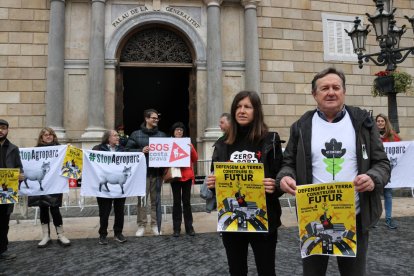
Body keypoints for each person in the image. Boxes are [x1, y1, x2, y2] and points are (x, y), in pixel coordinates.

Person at [276, 67, 391, 276]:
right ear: (314, 94)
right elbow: (288, 163)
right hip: (313, 217)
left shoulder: (363, 122)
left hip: (354, 216)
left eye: (336, 87)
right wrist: (285, 177)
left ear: (344, 92)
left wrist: (373, 178)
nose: (331, 92)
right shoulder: (301, 126)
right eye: (324, 88)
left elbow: (382, 163)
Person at [205, 91, 284, 275]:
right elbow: (215, 176)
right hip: (232, 220)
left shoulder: (270, 140)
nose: (242, 111)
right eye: (238, 107)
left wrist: (275, 186)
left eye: (247, 107)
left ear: (256, 111)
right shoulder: (222, 143)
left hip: (263, 218)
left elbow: (281, 175)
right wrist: (212, 183)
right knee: (236, 270)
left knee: (266, 270)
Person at [125, 109, 166, 236]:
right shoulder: (136, 134)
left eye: (157, 118)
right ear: (146, 119)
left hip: (157, 173)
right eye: (153, 118)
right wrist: (140, 150)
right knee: (142, 201)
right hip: (141, 174)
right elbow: (126, 151)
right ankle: (141, 225)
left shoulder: (162, 135)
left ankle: (155, 225)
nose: (156, 120)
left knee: (155, 201)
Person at [27, 127, 71, 248]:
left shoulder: (60, 149)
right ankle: (45, 235)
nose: (48, 136)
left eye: (50, 134)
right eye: (45, 135)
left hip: (54, 184)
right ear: (41, 137)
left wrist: (69, 150)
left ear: (53, 136)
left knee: (55, 209)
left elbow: (70, 162)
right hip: (40, 185)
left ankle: (61, 234)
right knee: (43, 209)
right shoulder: (35, 151)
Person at [93, 130, 127, 245]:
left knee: (119, 211)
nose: (118, 137)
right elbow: (89, 159)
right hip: (105, 190)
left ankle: (118, 233)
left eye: (118, 135)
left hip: (118, 188)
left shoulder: (122, 150)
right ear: (108, 138)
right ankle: (103, 234)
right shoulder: (98, 149)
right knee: (104, 212)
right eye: (115, 135)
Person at [169, 122, 198, 237]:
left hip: (186, 176)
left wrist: (191, 149)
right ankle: (176, 228)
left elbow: (195, 158)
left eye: (181, 130)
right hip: (175, 176)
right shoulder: (169, 143)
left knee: (186, 202)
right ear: (173, 132)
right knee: (176, 203)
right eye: (177, 130)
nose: (179, 131)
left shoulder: (188, 143)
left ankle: (189, 227)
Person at [0, 119, 24, 260]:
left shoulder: (13, 148)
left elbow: (18, 166)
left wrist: (20, 175)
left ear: (7, 130)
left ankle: (2, 250)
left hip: (7, 190)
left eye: (3, 128)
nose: (1, 130)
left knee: (3, 222)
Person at [376, 113, 401, 229]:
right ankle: (374, 219)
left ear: (386, 123)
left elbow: (401, 147)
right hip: (376, 170)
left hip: (388, 171)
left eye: (382, 121)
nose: (380, 123)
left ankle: (388, 219)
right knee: (375, 196)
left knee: (388, 195)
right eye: (378, 121)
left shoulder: (392, 136)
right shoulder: (372, 135)